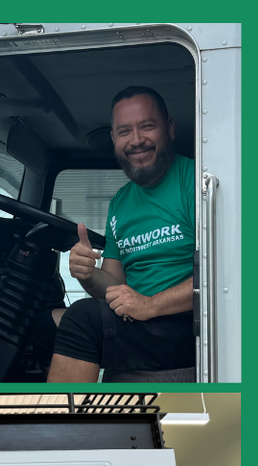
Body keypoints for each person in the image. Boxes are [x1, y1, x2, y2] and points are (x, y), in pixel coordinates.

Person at [49, 88, 196, 383]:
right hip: (142, 326)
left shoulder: (193, 180)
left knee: (81, 318)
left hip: (185, 325)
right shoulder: (120, 202)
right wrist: (87, 274)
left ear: (169, 128)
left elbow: (222, 277)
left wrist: (149, 305)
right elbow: (114, 285)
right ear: (114, 139)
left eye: (147, 126)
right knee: (42, 322)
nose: (136, 140)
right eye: (124, 131)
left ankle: (61, 425)